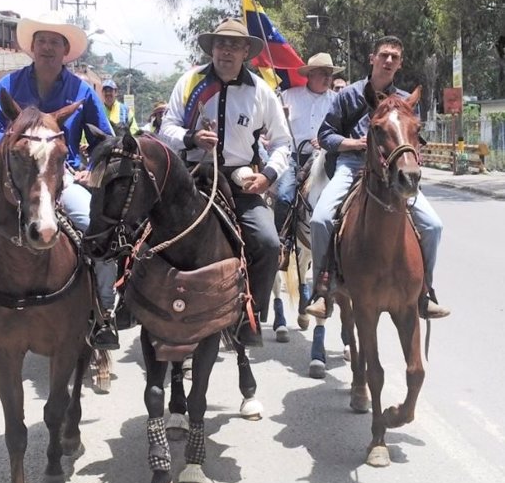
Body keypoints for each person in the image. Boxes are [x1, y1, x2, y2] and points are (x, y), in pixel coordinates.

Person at [0, 15, 118, 368]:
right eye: (42, 41)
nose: (48, 47)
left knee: (99, 234)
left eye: (56, 42)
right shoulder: (9, 85)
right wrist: (14, 144)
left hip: (59, 178)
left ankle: (103, 315)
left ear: (65, 51)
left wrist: (92, 167)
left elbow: (104, 136)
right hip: (11, 178)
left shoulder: (82, 91)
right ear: (33, 46)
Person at [160, 17, 292, 346]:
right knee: (148, 234)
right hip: (192, 178)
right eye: (221, 44)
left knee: (268, 243)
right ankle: (133, 307)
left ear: (246, 51)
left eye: (234, 45)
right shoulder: (189, 82)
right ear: (212, 48)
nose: (227, 51)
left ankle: (249, 315)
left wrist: (268, 176)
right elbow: (166, 129)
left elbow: (282, 143)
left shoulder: (261, 91)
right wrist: (191, 138)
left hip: (240, 181)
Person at [306, 35, 450, 319]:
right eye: (384, 55)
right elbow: (325, 135)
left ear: (400, 64)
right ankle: (323, 289)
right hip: (352, 165)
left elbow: (414, 137)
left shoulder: (407, 100)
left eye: (394, 57)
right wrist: (352, 144)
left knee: (433, 226)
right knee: (320, 219)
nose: (388, 61)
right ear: (372, 58)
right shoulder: (348, 95)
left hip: (392, 170)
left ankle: (424, 292)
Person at [273, 52, 344, 233]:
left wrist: (327, 141)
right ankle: (282, 240)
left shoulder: (338, 102)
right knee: (284, 196)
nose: (328, 77)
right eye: (323, 72)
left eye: (330, 73)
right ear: (310, 74)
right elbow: (270, 128)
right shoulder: (287, 96)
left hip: (323, 159)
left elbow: (343, 132)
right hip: (292, 157)